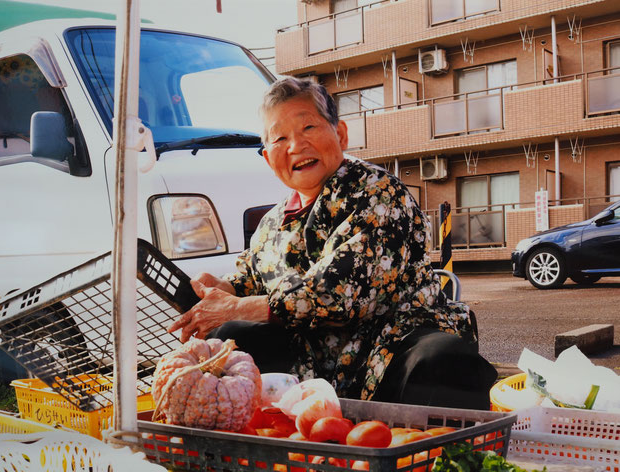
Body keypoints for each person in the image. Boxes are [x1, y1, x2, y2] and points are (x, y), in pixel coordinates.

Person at [168, 77, 496, 409]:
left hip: (392, 346)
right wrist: (226, 290)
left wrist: (240, 306)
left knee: (440, 359)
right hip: (311, 365)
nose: (296, 146)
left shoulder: (378, 191)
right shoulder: (271, 223)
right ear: (268, 158)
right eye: (280, 138)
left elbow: (339, 293)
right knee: (227, 339)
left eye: (308, 127)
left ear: (339, 134)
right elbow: (253, 279)